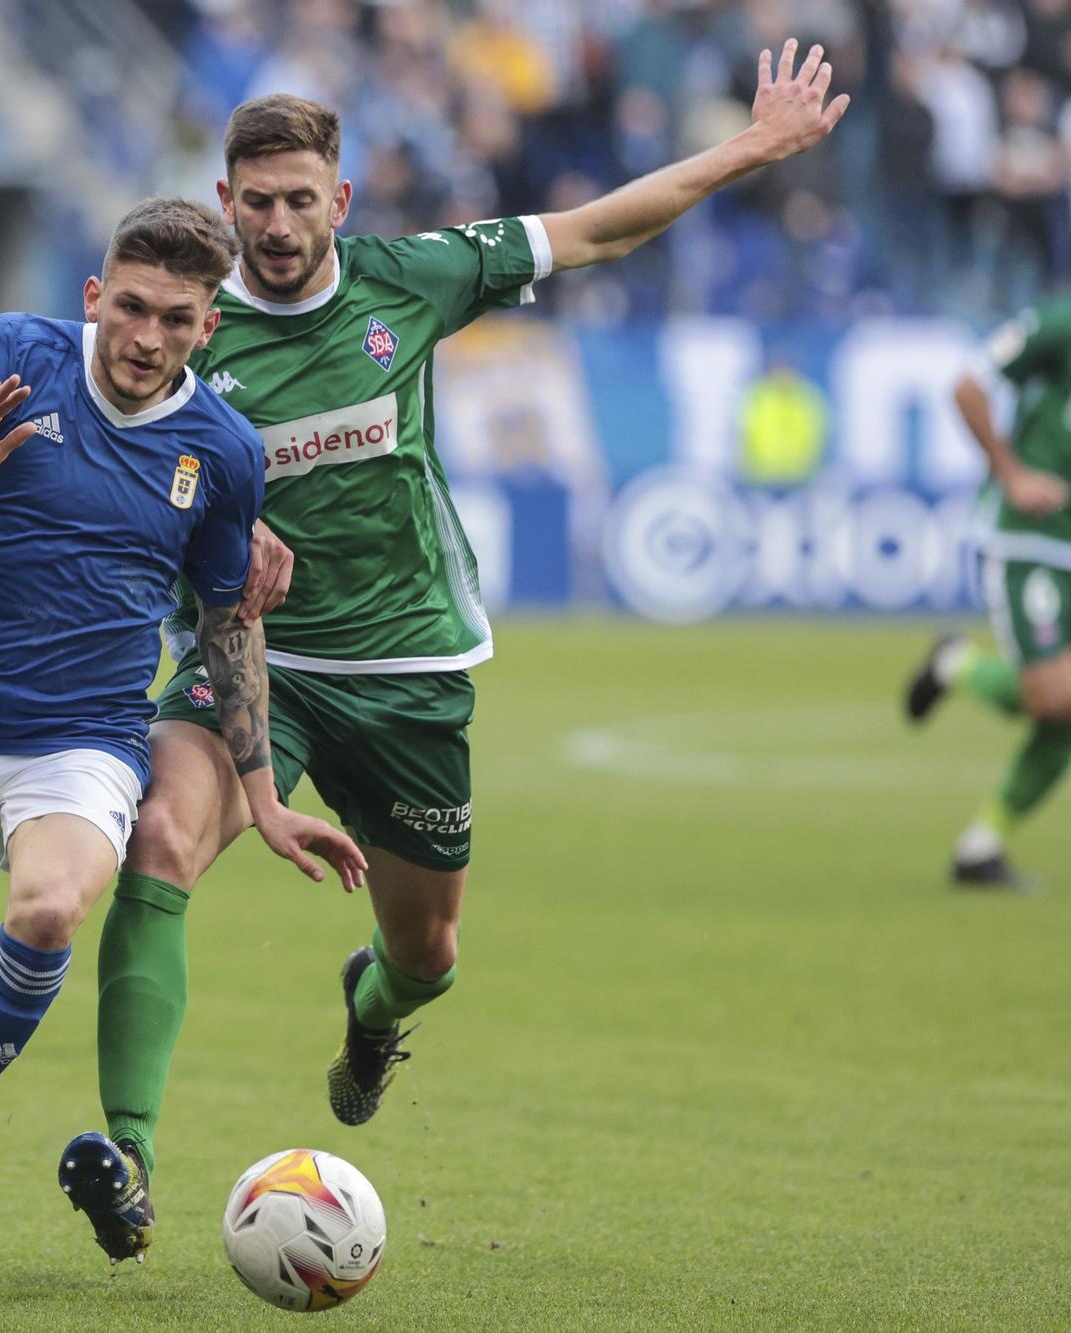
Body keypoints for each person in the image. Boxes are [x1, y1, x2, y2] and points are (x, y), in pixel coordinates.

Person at [67, 46, 851, 1264]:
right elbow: (112, 471)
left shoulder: (413, 280)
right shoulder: (183, 332)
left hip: (405, 670)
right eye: (254, 201)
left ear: (339, 198)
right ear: (223, 205)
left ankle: (370, 1015)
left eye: (299, 199)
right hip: (249, 663)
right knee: (159, 838)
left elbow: (593, 232)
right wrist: (210, 531)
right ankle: (129, 1157)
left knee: (425, 954)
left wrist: (749, 148)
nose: (276, 223)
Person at [0, 198, 367, 1259]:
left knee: (47, 912)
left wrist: (261, 795)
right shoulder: (10, 355)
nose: (147, 338)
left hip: (84, 737)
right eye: (130, 309)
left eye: (177, 320)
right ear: (93, 297)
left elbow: (228, 624)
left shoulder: (220, 451)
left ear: (207, 326)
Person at [904, 294, 1071, 889]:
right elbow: (968, 387)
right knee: (1056, 697)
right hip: (1034, 542)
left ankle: (981, 848)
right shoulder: (1060, 323)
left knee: (1067, 714)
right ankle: (962, 664)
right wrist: (1013, 473)